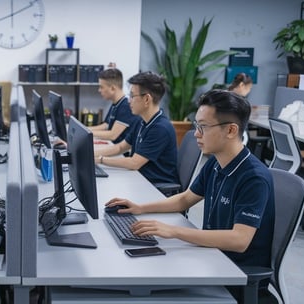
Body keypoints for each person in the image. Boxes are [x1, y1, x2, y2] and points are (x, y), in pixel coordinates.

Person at [106, 90, 274, 269]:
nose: (196, 134)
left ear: (231, 130)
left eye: (204, 127)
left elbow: (239, 240)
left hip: (235, 271)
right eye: (197, 125)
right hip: (211, 255)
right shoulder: (216, 163)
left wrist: (174, 231)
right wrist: (140, 208)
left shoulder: (253, 177)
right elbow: (185, 199)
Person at [94, 71, 178, 185]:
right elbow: (120, 147)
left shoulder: (160, 128)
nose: (129, 100)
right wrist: (92, 153)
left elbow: (134, 163)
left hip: (155, 187)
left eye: (132, 96)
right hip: (139, 178)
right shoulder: (141, 121)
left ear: (147, 99)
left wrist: (101, 160)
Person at [88, 68, 139, 143]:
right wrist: (86, 129)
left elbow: (113, 135)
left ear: (112, 88)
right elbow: (106, 125)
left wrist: (87, 133)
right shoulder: (116, 103)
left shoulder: (126, 106)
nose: (99, 90)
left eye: (101, 87)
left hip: (122, 153)